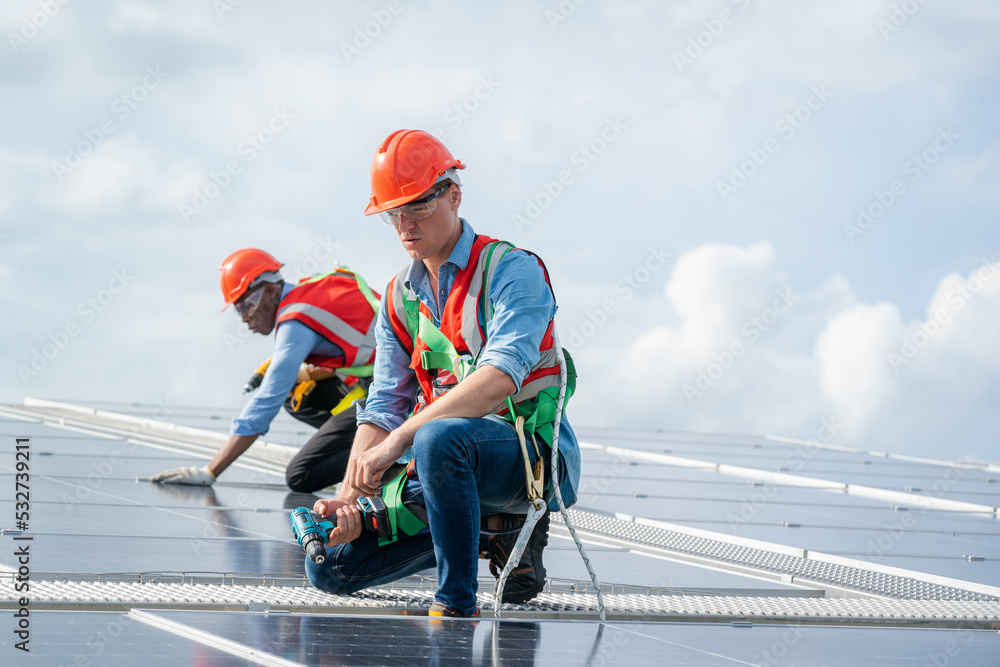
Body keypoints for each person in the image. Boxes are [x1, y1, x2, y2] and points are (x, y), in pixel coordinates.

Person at [305, 129, 581, 617]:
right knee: (329, 567)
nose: (405, 224)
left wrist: (397, 443)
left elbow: (499, 377)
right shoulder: (397, 298)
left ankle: (456, 603)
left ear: (453, 195)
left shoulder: (511, 270)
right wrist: (347, 500)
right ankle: (494, 529)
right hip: (444, 462)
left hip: (528, 456)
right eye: (393, 213)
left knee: (435, 439)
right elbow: (386, 400)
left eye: (417, 206)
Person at [151, 249, 379, 492]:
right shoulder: (309, 290)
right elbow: (358, 349)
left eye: (246, 306)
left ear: (270, 291)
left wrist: (210, 471)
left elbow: (267, 400)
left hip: (396, 393)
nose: (245, 319)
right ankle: (365, 442)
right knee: (298, 397)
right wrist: (302, 373)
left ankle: (391, 455)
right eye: (238, 310)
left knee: (301, 475)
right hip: (394, 380)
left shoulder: (295, 322)